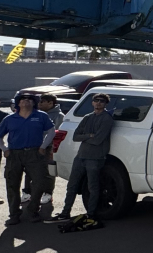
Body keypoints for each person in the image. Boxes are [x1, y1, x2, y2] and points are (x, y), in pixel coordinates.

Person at [49, 93, 115, 224]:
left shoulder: (107, 118)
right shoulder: (87, 117)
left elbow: (98, 140)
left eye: (102, 101)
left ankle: (91, 214)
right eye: (96, 100)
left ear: (106, 104)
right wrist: (89, 135)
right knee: (72, 186)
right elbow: (75, 136)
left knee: (93, 187)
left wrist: (87, 136)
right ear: (92, 102)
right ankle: (65, 213)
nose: (98, 103)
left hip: (95, 158)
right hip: (80, 156)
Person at [0, 93, 55, 226]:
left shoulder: (41, 116)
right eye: (23, 100)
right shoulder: (10, 118)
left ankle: (33, 210)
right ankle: (14, 214)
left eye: (29, 100)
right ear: (18, 103)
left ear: (34, 103)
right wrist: (4, 149)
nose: (26, 102)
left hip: (35, 153)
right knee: (12, 184)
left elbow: (51, 131)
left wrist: (43, 146)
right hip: (14, 154)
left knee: (40, 182)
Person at [24, 93, 63, 206]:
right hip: (32, 146)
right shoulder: (34, 114)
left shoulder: (59, 116)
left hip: (49, 148)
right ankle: (27, 192)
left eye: (42, 102)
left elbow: (56, 133)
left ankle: (48, 193)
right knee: (29, 169)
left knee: (48, 171)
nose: (39, 104)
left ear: (51, 103)